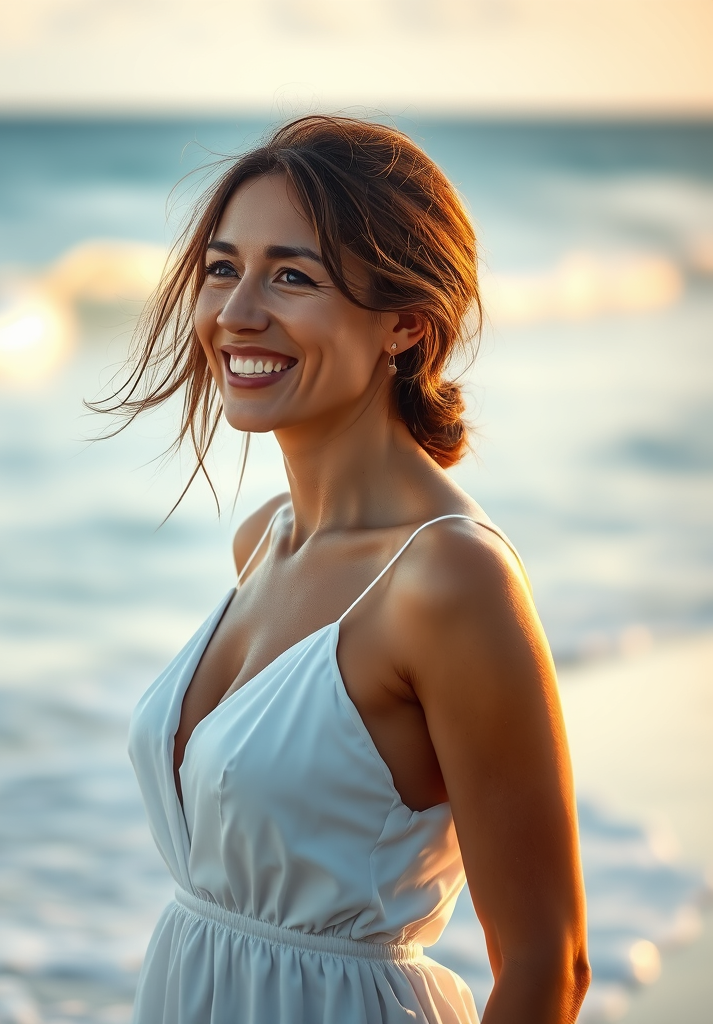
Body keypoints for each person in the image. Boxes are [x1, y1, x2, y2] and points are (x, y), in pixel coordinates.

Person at [100, 116, 590, 1023]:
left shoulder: (449, 580)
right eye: (222, 267)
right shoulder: (264, 540)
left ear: (405, 323)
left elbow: (546, 965)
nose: (237, 311)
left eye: (292, 275)